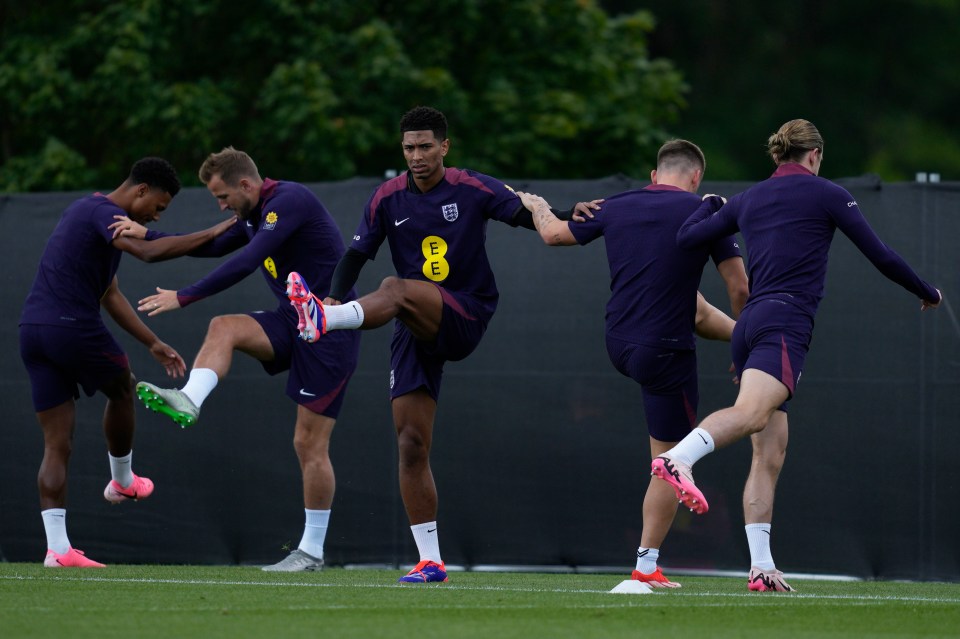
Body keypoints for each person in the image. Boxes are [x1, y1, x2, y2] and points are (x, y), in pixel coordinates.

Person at [285, 105, 587, 583]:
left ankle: (326, 319)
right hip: (413, 324)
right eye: (409, 148)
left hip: (465, 311)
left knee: (396, 285)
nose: (417, 156)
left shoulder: (471, 187)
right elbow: (355, 253)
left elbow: (530, 219)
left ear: (445, 146)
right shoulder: (387, 197)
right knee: (410, 444)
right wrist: (333, 291)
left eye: (426, 146)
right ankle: (430, 561)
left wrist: (577, 215)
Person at [654, 119, 941, 592]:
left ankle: (761, 568)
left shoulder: (747, 198)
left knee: (770, 451)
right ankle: (679, 459)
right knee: (749, 417)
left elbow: (688, 238)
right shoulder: (826, 193)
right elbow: (880, 254)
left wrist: (706, 204)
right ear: (814, 155)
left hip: (749, 326)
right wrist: (926, 290)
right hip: (785, 323)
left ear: (778, 156)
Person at [515, 139, 749, 588]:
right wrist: (751, 351)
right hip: (664, 351)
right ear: (697, 177)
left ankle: (649, 567)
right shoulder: (708, 212)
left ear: (653, 173)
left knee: (685, 300)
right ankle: (645, 568)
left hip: (619, 343)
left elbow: (551, 233)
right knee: (670, 461)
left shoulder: (617, 204)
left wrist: (538, 205)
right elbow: (739, 289)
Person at [130, 147, 361, 572]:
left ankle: (310, 553)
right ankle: (189, 399)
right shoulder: (253, 213)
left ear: (245, 185)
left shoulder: (289, 202)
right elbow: (214, 244)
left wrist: (184, 296)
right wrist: (144, 236)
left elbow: (247, 259)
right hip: (290, 322)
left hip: (328, 330)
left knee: (308, 444)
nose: (221, 207)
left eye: (222, 197)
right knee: (225, 326)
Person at [19, 157, 236, 568]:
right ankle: (122, 481)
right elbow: (148, 252)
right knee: (123, 387)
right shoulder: (106, 214)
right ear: (141, 190)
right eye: (158, 205)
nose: (156, 214)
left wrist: (152, 341)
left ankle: (58, 550)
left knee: (56, 444)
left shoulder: (85, 211)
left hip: (33, 330)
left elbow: (110, 294)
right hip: (70, 325)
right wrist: (214, 230)